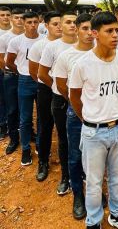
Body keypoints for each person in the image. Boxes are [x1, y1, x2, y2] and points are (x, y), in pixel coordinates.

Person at [69, 11, 118, 229]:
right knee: (95, 183)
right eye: (109, 31)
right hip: (93, 133)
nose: (115, 35)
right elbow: (74, 97)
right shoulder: (83, 64)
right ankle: (94, 221)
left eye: (117, 30)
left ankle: (116, 213)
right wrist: (88, 120)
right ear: (96, 33)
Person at [53, 13, 96, 220]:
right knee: (75, 155)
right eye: (85, 28)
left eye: (92, 29)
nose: (89, 33)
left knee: (96, 156)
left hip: (99, 113)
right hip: (76, 113)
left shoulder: (103, 53)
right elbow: (62, 85)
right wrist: (75, 104)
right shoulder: (66, 56)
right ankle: (78, 195)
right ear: (77, 29)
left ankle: (95, 191)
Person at [38, 11, 77, 195]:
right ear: (61, 25)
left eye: (75, 22)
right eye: (68, 22)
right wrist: (61, 90)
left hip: (84, 99)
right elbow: (42, 74)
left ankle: (82, 172)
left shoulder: (86, 46)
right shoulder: (52, 47)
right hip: (60, 99)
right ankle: (65, 176)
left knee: (84, 137)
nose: (72, 25)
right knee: (64, 138)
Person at [28, 11, 62, 182]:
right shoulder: (39, 46)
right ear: (46, 26)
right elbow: (35, 72)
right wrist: (53, 85)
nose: (60, 27)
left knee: (66, 128)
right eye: (55, 24)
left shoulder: (71, 44)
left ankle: (69, 162)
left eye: (61, 23)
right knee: (45, 125)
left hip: (66, 91)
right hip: (46, 89)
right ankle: (43, 161)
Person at [6, 11, 42, 166]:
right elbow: (9, 62)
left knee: (43, 116)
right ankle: (26, 148)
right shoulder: (16, 41)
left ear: (39, 23)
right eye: (29, 22)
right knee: (25, 118)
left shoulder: (44, 40)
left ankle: (40, 144)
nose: (32, 25)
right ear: (24, 23)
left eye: (35, 22)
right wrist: (21, 71)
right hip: (25, 80)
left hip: (42, 81)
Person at [0, 8, 24, 150]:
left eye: (22, 18)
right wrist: (17, 71)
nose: (19, 20)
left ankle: (28, 132)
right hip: (10, 76)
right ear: (12, 20)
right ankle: (13, 138)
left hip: (27, 77)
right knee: (11, 108)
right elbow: (2, 60)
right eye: (16, 18)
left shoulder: (32, 36)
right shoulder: (4, 38)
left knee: (25, 108)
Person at [0, 6, 12, 140]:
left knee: (13, 100)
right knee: (2, 99)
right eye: (2, 15)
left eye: (7, 15)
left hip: (12, 71)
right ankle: (3, 125)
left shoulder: (17, 31)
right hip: (1, 69)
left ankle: (14, 125)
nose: (5, 17)